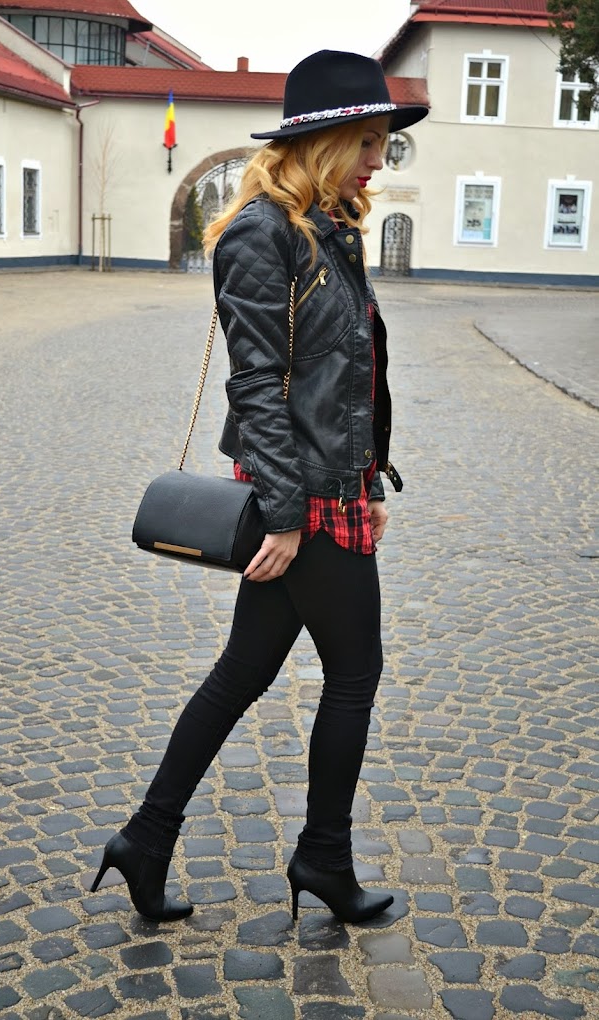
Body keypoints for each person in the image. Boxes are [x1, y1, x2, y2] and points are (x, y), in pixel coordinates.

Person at [91, 49, 428, 924]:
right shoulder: (260, 235)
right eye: (366, 141)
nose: (377, 160)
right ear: (320, 142)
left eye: (383, 143)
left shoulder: (328, 229)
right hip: (301, 496)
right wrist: (285, 514)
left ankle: (145, 839)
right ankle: (323, 858)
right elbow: (257, 385)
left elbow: (351, 375)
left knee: (244, 668)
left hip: (331, 484)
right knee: (354, 674)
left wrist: (372, 478)